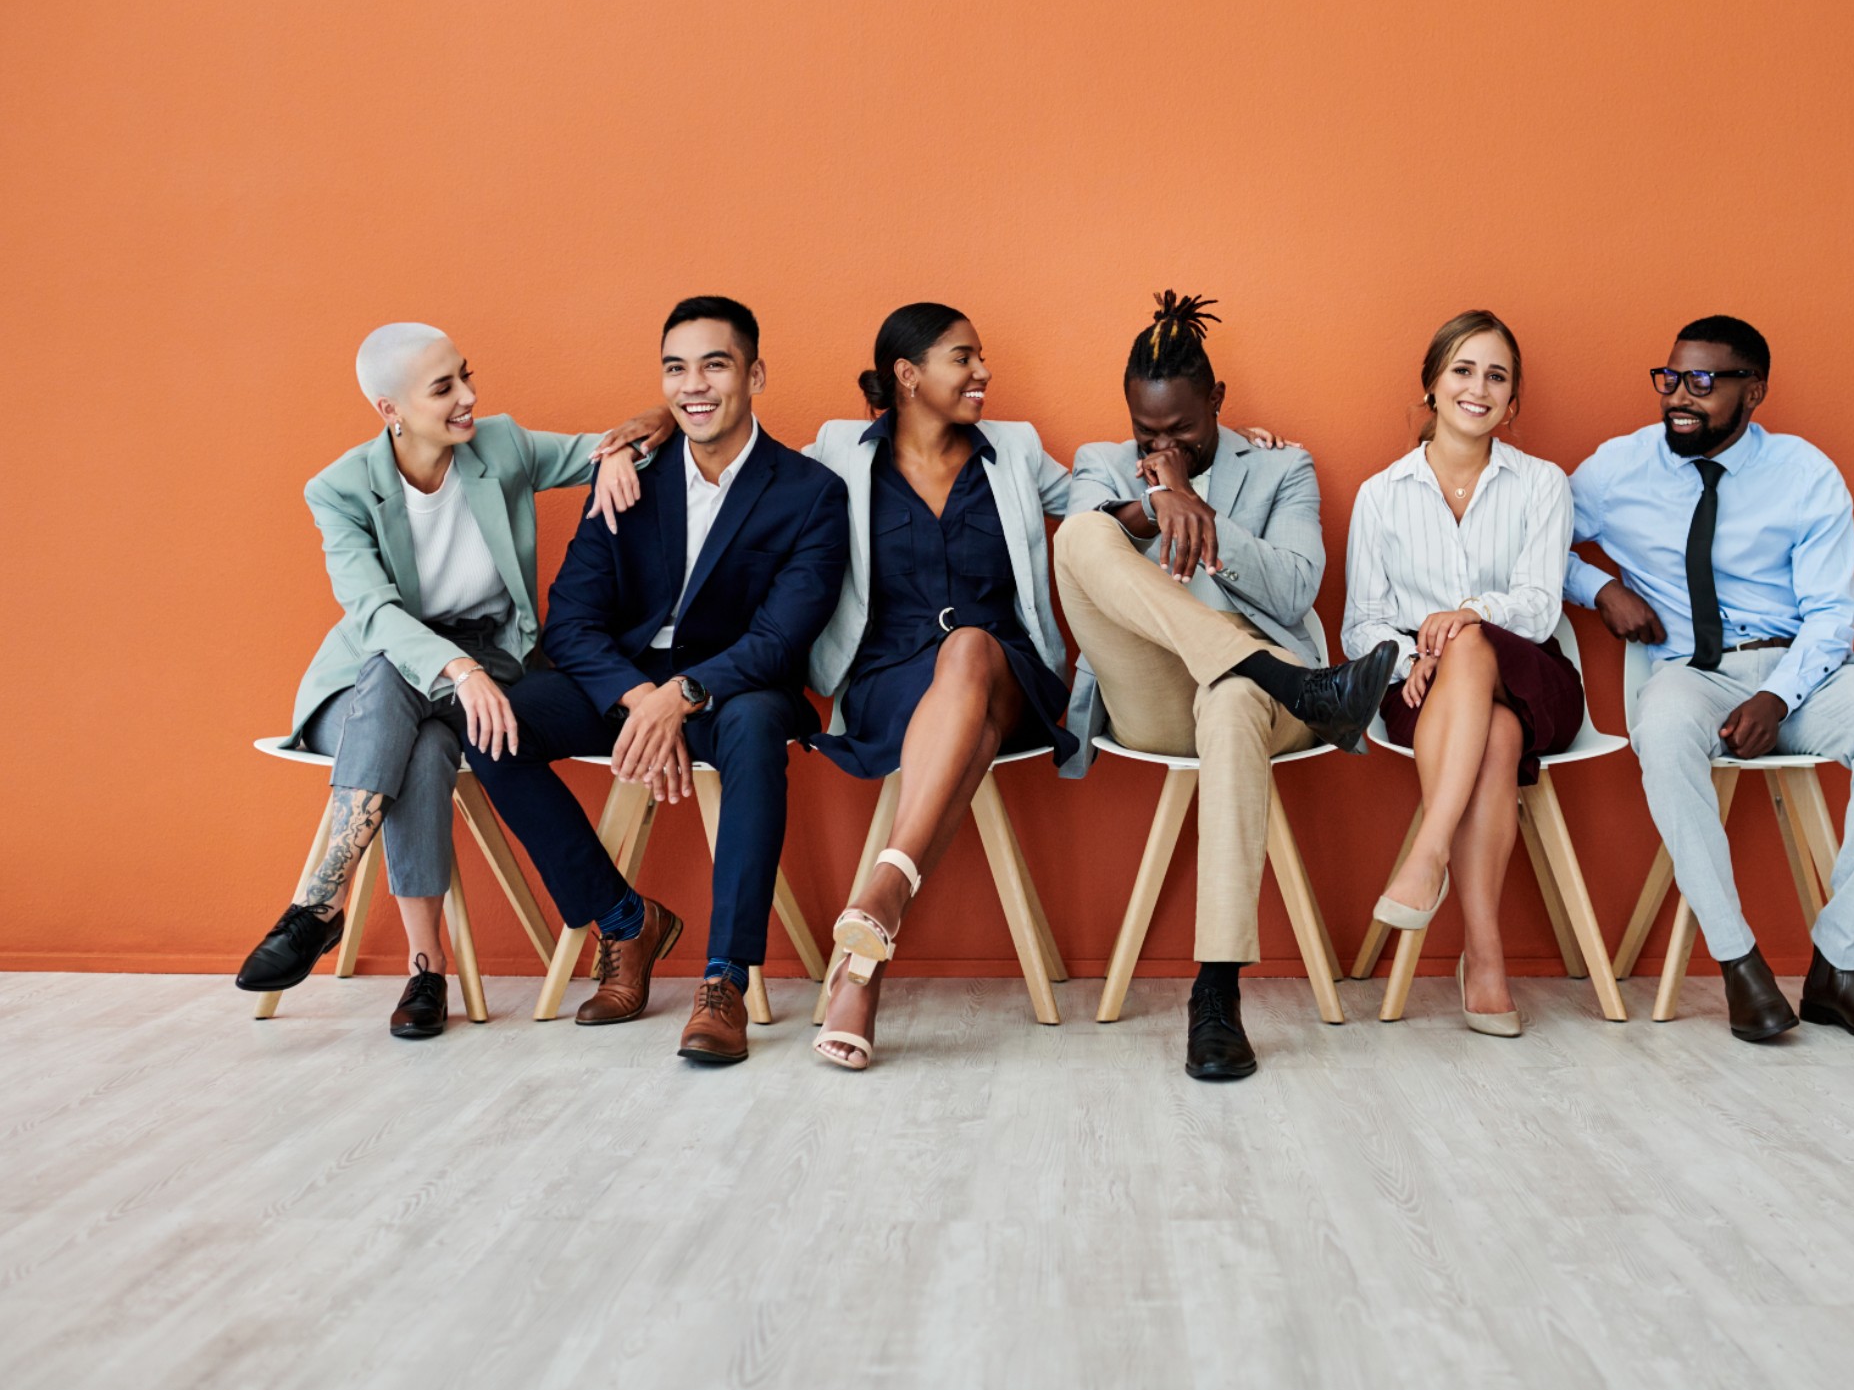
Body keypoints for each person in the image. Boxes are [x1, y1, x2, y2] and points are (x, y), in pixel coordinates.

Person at [236, 323, 670, 1037]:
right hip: (364, 686)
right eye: (444, 388)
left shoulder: (499, 446)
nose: (469, 397)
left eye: (465, 375)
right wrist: (455, 669)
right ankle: (408, 959)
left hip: (490, 665)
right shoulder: (339, 489)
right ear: (390, 410)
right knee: (398, 697)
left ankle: (338, 923)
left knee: (426, 745)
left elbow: (634, 441)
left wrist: (625, 445)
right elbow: (372, 610)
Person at [466, 296, 850, 1063]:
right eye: (676, 368)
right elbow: (570, 618)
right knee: (494, 726)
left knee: (749, 730)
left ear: (755, 374)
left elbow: (782, 637)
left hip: (735, 687)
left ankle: (723, 980)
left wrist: (683, 696)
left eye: (715, 364)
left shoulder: (810, 492)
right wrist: (640, 698)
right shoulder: (627, 476)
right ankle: (622, 921)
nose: (693, 385)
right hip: (622, 682)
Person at [1054, 291, 1397, 1080]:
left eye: (1182, 429)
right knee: (1080, 533)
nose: (1163, 443)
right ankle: (1303, 685)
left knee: (1237, 695)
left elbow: (1296, 590)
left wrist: (1200, 508)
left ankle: (1214, 995)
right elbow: (1089, 560)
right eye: (1148, 432)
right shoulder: (1099, 465)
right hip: (1154, 697)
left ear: (1216, 401)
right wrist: (1151, 504)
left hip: (1254, 712)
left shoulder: (1283, 466)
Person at [1568, 315, 1854, 1043]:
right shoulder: (1617, 468)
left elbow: (1832, 612)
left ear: (1753, 391)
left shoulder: (1803, 473)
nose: (1678, 396)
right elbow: (1527, 542)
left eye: (1702, 382)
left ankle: (1838, 964)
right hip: (1689, 671)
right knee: (1663, 732)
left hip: (1802, 670)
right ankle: (1738, 963)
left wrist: (1777, 695)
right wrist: (1596, 588)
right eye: (1668, 378)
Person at [802, 303, 1084, 1070]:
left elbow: (1100, 498)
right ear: (907, 374)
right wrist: (653, 428)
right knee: (959, 706)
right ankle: (871, 942)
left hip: (1008, 676)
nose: (982, 372)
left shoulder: (1015, 449)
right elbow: (741, 472)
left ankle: (880, 906)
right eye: (963, 357)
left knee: (967, 650)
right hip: (889, 680)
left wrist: (1211, 455)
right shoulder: (837, 451)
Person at [1343, 310, 1581, 1038]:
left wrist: (1460, 618)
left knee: (1475, 644)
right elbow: (1360, 623)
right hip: (1427, 695)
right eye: (1463, 370)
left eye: (1496, 376)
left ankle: (1427, 852)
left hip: (1532, 679)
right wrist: (1415, 653)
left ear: (1513, 403)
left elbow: (1539, 608)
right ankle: (1484, 957)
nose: (1478, 388)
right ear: (1431, 386)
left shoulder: (1542, 484)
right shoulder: (1380, 494)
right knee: (1496, 739)